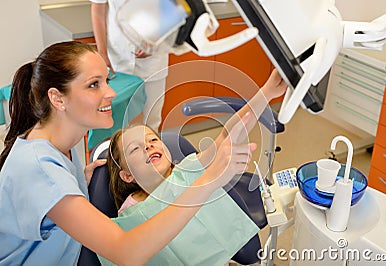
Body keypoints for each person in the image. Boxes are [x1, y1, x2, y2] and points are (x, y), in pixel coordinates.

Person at [0, 41, 285, 265]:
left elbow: (225, 136)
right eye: (93, 84)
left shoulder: (69, 138)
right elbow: (127, 253)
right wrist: (208, 179)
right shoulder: (39, 169)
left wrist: (268, 91)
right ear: (57, 98)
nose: (110, 93)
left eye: (106, 80)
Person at [108, 68, 287, 214]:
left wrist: (268, 91)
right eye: (134, 149)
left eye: (153, 139)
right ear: (127, 175)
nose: (148, 145)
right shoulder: (132, 212)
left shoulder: (187, 171)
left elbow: (227, 135)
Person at [91, 0, 168, 131]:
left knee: (151, 119)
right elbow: (98, 10)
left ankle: (148, 150)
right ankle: (120, 151)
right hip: (116, 59)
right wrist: (102, 54)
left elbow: (175, 9)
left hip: (153, 60)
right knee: (117, 122)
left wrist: (157, 40)